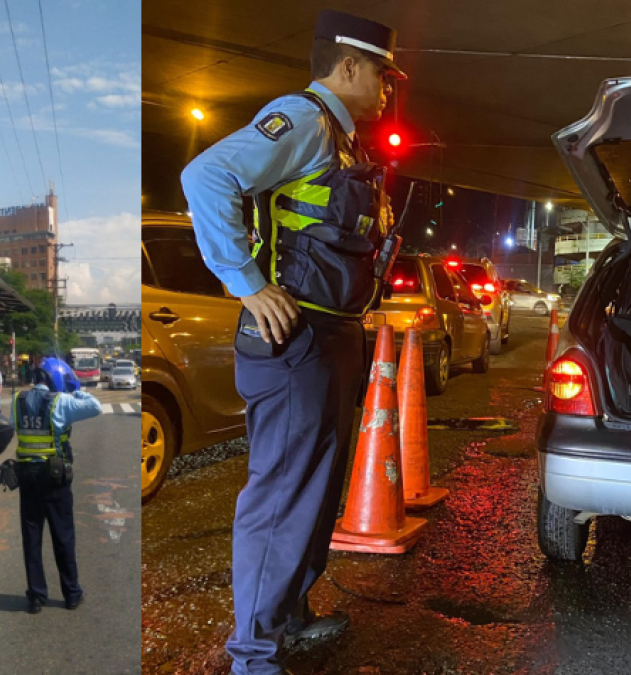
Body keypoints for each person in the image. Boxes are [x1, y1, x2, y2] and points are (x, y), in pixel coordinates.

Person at [180, 10, 404, 673]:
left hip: (331, 335)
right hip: (292, 340)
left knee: (316, 491)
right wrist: (247, 284)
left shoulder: (344, 140)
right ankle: (253, 654)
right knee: (282, 496)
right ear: (349, 67)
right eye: (384, 76)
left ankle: (286, 617)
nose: (390, 89)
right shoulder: (302, 119)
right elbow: (205, 177)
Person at [14, 357, 100, 614]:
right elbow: (95, 406)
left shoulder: (18, 400)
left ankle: (36, 597)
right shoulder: (60, 402)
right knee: (63, 535)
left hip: (27, 474)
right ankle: (71, 593)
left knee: (32, 536)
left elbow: (12, 427)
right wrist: (75, 388)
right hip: (53, 476)